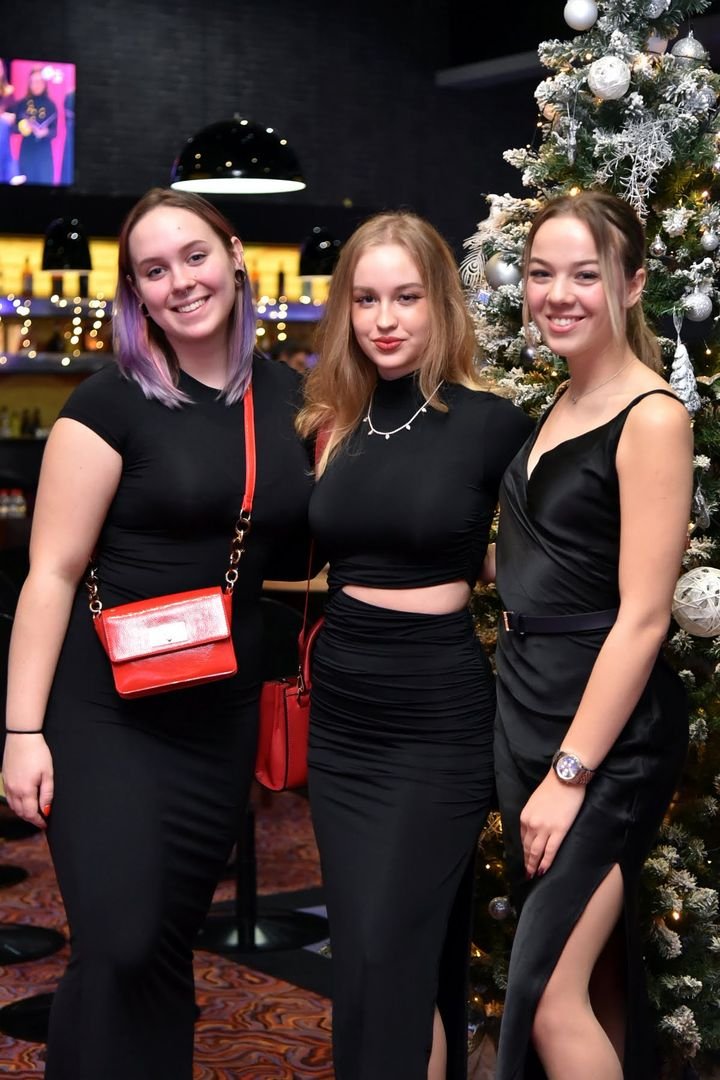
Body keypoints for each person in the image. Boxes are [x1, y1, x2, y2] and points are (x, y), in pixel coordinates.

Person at [1, 187, 314, 1080]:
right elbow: (51, 574)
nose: (181, 281)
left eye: (195, 256)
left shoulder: (293, 398)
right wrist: (21, 731)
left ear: (236, 256)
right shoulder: (108, 403)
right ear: (136, 292)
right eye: (154, 270)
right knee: (121, 941)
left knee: (168, 941)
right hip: (107, 709)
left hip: (218, 713)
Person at [297, 210, 532, 1080]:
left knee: (389, 949)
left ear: (442, 303)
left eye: (406, 297)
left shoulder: (492, 423)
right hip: (343, 717)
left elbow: (546, 560)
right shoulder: (334, 422)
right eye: (365, 300)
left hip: (436, 718)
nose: (385, 320)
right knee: (365, 959)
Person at [492, 190, 693, 1080]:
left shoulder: (653, 416)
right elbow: (547, 558)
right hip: (529, 705)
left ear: (634, 282)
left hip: (605, 737)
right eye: (542, 274)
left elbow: (644, 616)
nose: (558, 294)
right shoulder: (564, 399)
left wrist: (571, 773)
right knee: (599, 974)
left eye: (585, 274)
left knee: (546, 997)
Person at [15, 68, 57, 185]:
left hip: (44, 155)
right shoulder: (22, 104)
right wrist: (22, 127)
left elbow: (55, 132)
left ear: (44, 83)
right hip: (26, 152)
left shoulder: (51, 105)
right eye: (33, 82)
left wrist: (45, 132)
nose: (36, 85)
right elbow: (13, 128)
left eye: (39, 81)